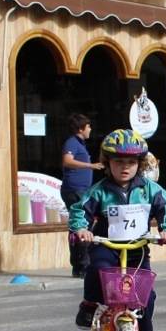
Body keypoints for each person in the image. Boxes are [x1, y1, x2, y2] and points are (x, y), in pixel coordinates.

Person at [69, 130, 166, 331]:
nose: (125, 167)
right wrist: (81, 229)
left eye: (131, 162)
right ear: (108, 162)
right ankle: (89, 303)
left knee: (146, 297)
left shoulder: (149, 189)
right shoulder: (99, 190)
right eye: (119, 162)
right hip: (106, 245)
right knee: (96, 269)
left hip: (136, 249)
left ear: (139, 164)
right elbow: (80, 209)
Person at [60, 114, 103, 277]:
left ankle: (80, 266)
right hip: (74, 190)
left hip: (82, 190)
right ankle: (81, 265)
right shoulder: (72, 142)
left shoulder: (80, 144)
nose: (90, 129)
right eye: (88, 126)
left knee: (80, 226)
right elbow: (67, 161)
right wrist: (90, 165)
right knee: (81, 226)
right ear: (80, 129)